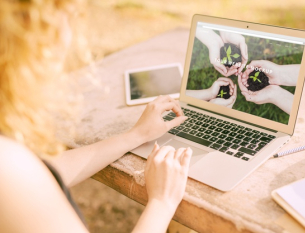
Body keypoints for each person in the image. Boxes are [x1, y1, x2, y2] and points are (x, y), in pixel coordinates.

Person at [0, 1, 192, 233]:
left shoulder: (14, 164)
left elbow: (41, 174)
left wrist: (135, 135)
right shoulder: (8, 167)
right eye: (68, 16)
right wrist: (162, 203)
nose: (69, 36)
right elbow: (20, 177)